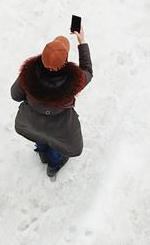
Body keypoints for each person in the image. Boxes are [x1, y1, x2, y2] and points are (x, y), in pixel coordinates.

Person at [11, 27, 93, 178]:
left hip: (32, 122)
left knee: (39, 136)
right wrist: (82, 42)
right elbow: (87, 70)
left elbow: (15, 95)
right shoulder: (74, 82)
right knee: (58, 144)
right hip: (61, 128)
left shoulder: (28, 75)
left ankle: (42, 153)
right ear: (65, 61)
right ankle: (53, 165)